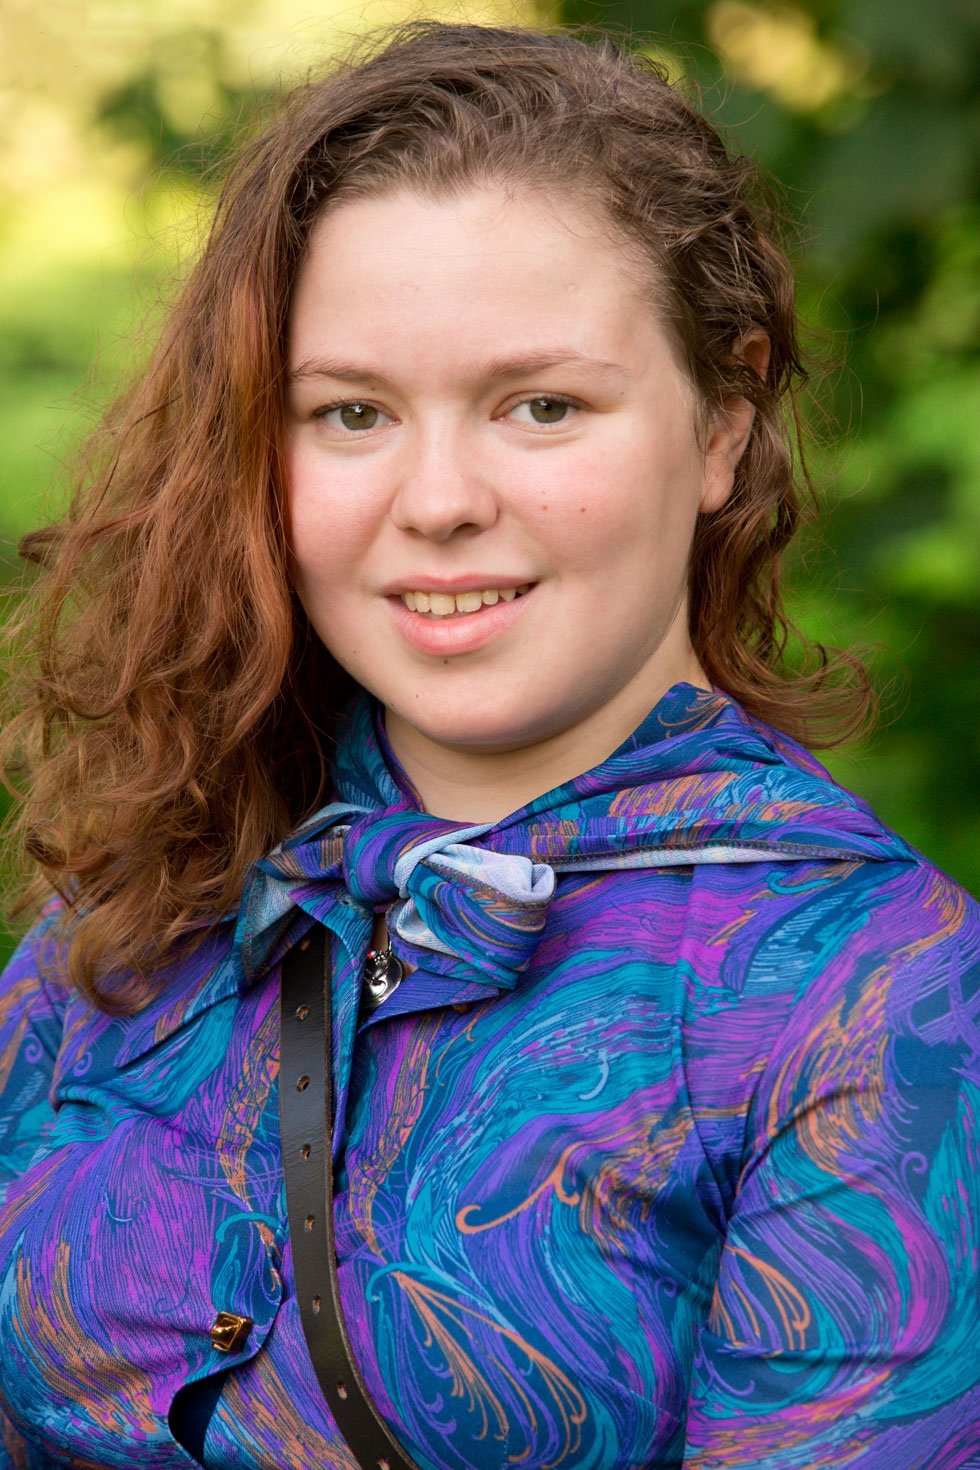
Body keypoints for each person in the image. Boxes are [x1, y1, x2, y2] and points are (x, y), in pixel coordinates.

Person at [0, 19, 977, 1470]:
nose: (439, 498)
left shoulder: (875, 995)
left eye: (542, 406)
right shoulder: (149, 891)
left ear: (722, 422)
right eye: (351, 413)